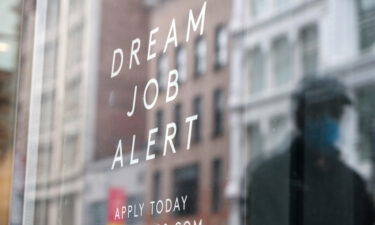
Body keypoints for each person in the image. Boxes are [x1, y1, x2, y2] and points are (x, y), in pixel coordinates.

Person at [246, 77, 375, 225]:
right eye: (317, 111)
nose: (327, 119)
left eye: (334, 112)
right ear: (300, 118)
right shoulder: (268, 177)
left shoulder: (353, 183)